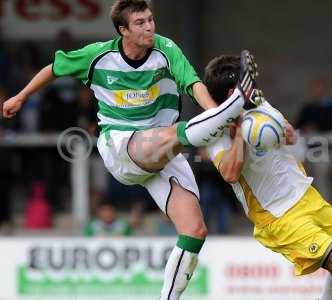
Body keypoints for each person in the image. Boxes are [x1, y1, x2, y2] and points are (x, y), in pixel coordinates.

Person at [2, 1, 257, 299]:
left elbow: (193, 84)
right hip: (121, 146)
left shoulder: (166, 50)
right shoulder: (98, 56)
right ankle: (231, 110)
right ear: (122, 30)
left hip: (164, 151)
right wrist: (20, 97)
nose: (149, 26)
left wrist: (213, 110)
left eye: (150, 19)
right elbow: (54, 68)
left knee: (195, 230)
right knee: (169, 135)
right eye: (140, 23)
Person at [204, 55, 332, 300]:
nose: (254, 89)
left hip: (307, 195)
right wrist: (241, 134)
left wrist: (291, 138)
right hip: (278, 215)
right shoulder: (215, 131)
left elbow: (296, 146)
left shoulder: (261, 106)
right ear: (231, 95)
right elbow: (229, 172)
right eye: (246, 85)